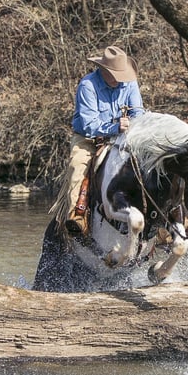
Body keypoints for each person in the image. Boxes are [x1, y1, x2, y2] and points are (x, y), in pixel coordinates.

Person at [53, 45, 144, 234]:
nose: (119, 80)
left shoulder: (130, 82)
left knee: (149, 162)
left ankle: (168, 216)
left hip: (124, 137)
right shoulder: (88, 85)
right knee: (78, 166)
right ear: (103, 70)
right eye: (115, 75)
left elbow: (138, 112)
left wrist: (134, 125)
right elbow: (88, 124)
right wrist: (115, 127)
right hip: (88, 138)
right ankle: (76, 216)